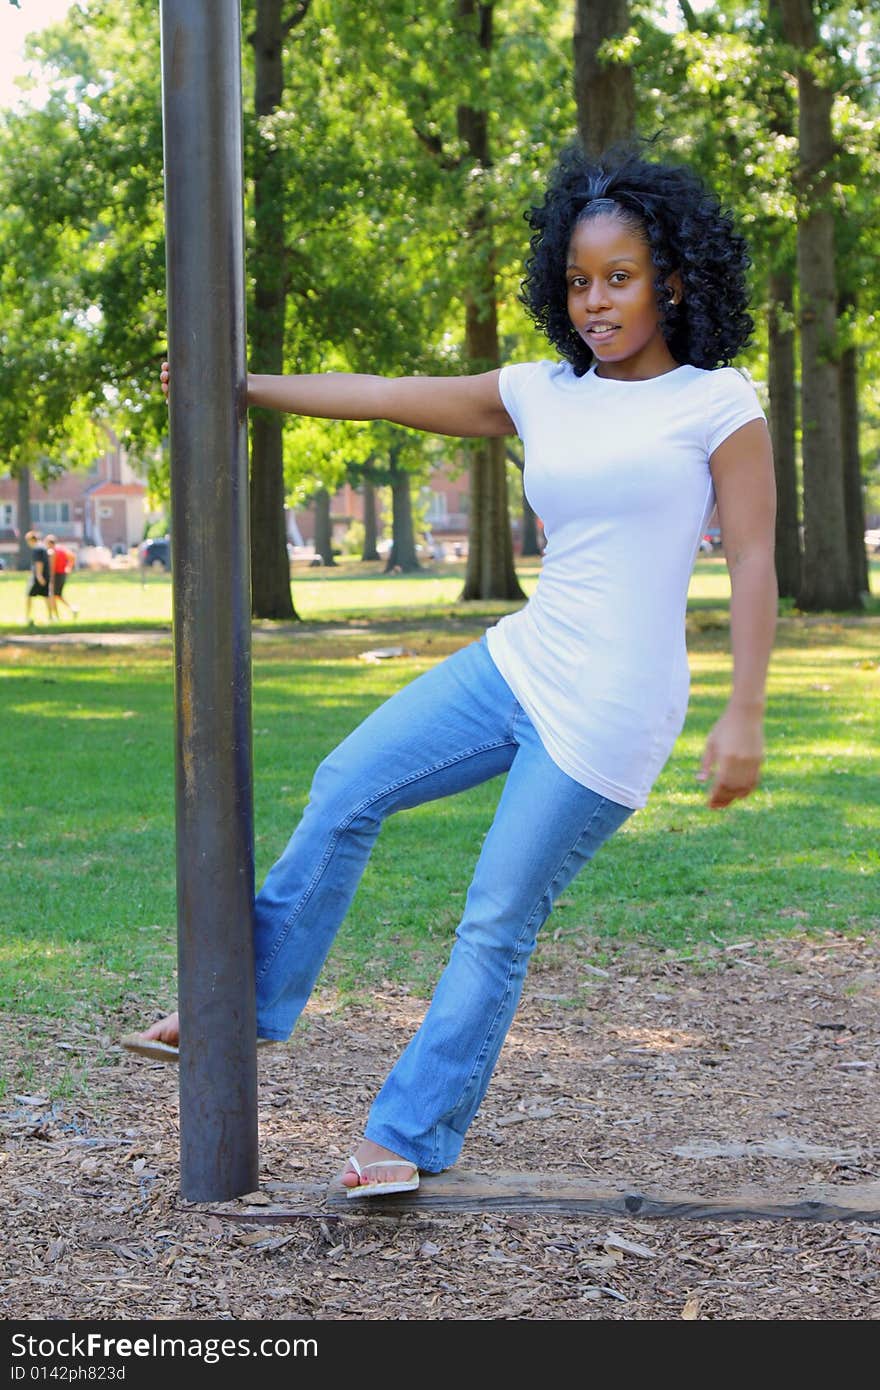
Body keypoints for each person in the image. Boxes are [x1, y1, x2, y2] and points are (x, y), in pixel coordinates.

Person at [124, 143, 777, 1199]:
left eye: (620, 277)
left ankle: (406, 1135)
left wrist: (744, 711)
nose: (595, 302)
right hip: (518, 660)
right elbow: (386, 392)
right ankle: (244, 1004)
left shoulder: (716, 402)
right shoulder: (539, 390)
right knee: (345, 783)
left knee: (494, 914)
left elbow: (752, 555)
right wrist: (239, 385)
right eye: (578, 280)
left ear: (675, 280)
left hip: (610, 709)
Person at [44, 536, 79, 620]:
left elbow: (52, 566)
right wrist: (69, 567)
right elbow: (72, 557)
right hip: (63, 574)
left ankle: (56, 616)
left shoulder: (52, 551)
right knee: (57, 595)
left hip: (56, 574)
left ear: (50, 543)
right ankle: (71, 609)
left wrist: (51, 578)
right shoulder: (62, 549)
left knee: (52, 596)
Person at [24, 530, 54, 624]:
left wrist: (39, 575)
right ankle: (51, 617)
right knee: (46, 596)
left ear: (30, 540)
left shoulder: (37, 549)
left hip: (39, 576)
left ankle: (27, 617)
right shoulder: (43, 547)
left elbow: (39, 563)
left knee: (29, 595)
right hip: (46, 575)